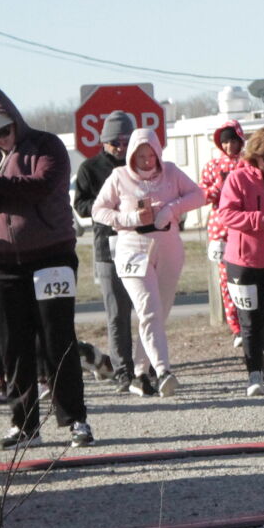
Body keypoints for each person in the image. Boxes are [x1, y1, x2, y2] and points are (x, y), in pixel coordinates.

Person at [0, 86, 92, 448]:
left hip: (51, 258)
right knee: (11, 346)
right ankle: (24, 422)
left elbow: (43, 186)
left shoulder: (47, 145)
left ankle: (75, 419)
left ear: (14, 119)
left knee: (57, 339)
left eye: (2, 129)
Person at [89, 126, 205, 398]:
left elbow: (199, 195)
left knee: (158, 314)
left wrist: (171, 209)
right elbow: (98, 210)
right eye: (140, 155)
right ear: (131, 156)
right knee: (148, 309)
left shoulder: (172, 172)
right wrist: (129, 219)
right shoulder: (119, 177)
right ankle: (163, 370)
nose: (146, 160)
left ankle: (140, 373)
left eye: (151, 154)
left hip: (168, 247)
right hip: (133, 249)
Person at [215, 128, 264, 396]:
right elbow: (226, 214)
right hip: (242, 261)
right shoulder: (237, 179)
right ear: (256, 156)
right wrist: (261, 220)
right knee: (250, 321)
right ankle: (254, 374)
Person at [73, 110, 135, 393]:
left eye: (126, 140)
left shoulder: (142, 164)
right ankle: (123, 371)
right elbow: (81, 205)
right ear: (105, 141)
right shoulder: (90, 168)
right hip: (107, 247)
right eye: (115, 142)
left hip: (141, 244)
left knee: (148, 312)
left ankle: (149, 368)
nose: (121, 147)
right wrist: (107, 208)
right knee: (117, 312)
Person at [199, 121, 246, 350]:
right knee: (226, 280)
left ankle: (250, 323)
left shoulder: (248, 163)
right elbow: (202, 194)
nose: (229, 145)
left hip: (244, 227)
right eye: (225, 141)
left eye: (233, 140)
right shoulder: (212, 166)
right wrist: (219, 187)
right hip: (220, 230)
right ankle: (235, 326)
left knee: (246, 277)